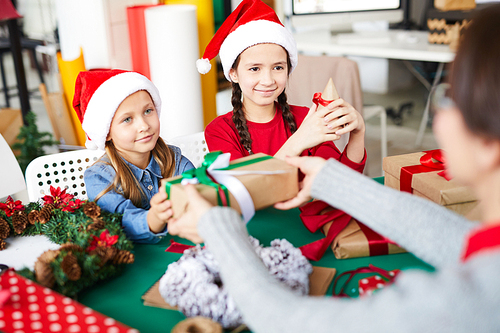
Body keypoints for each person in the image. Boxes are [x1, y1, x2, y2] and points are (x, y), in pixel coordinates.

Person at [167, 5, 500, 332]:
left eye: (449, 99)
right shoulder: (487, 264)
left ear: (488, 145)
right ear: (234, 73)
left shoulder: (465, 302)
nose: (438, 120)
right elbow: (457, 239)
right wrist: (320, 164)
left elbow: (285, 319)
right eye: (254, 68)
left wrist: (216, 227)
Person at [199, 0, 365, 172]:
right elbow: (245, 188)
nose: (268, 80)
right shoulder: (219, 131)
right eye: (255, 69)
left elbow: (339, 181)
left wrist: (358, 133)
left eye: (278, 67)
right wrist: (299, 140)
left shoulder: (305, 118)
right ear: (233, 73)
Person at [73, 70, 194, 243]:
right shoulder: (99, 177)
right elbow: (119, 222)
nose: (144, 125)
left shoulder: (175, 160)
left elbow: (199, 197)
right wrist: (154, 218)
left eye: (148, 111)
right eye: (127, 119)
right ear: (107, 133)